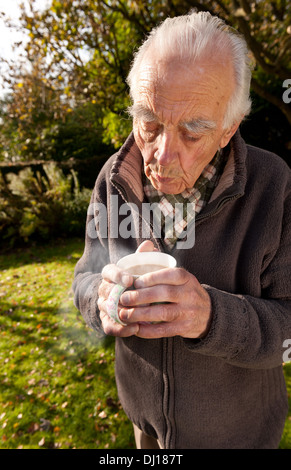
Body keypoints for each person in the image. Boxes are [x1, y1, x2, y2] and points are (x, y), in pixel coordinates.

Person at [72, 12, 291, 449]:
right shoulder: (112, 181)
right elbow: (83, 278)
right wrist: (100, 300)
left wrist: (210, 315)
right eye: (150, 124)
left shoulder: (275, 186)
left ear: (229, 128)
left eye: (192, 132)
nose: (162, 155)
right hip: (145, 429)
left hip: (240, 434)